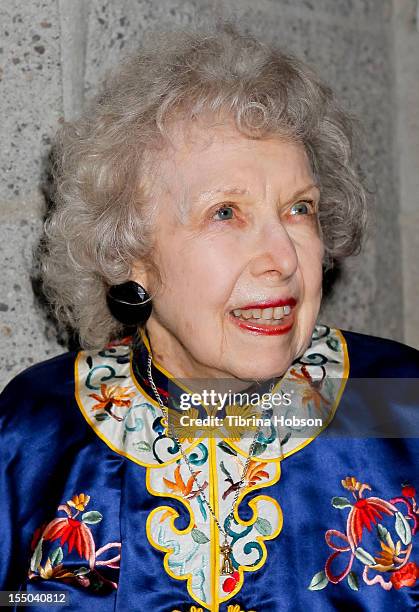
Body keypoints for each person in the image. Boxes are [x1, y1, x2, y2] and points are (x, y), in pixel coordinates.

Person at [0, 25, 418, 612]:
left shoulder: (402, 403)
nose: (283, 259)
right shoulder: (33, 431)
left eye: (300, 209)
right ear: (131, 255)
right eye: (226, 213)